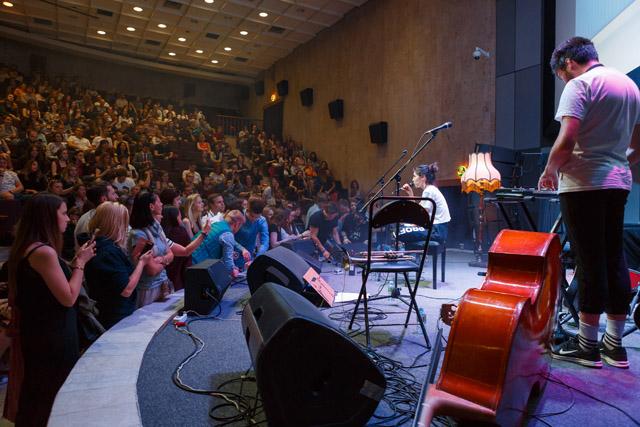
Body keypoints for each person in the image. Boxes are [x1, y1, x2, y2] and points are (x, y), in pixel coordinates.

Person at [538, 37, 640, 368]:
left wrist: (549, 170)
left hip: (584, 183)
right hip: (618, 181)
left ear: (567, 63)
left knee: (588, 260)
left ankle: (587, 347)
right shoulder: (628, 86)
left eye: (561, 75)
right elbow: (636, 145)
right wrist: (616, 160)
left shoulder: (580, 84)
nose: (564, 81)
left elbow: (567, 138)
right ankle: (614, 346)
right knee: (614, 258)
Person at [7, 193, 96, 425]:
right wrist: (81, 263)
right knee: (51, 393)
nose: (68, 219)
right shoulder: (43, 252)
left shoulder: (30, 247)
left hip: (41, 331)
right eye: (64, 213)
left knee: (38, 392)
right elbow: (68, 297)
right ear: (48, 217)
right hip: (51, 335)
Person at [128, 192, 211, 307]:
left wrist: (160, 259)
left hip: (164, 286)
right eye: (159, 201)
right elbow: (151, 270)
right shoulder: (138, 235)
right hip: (148, 291)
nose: (162, 204)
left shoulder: (158, 229)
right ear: (151, 206)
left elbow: (180, 252)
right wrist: (166, 260)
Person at [85, 202, 153, 329]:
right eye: (124, 222)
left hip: (109, 312)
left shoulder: (96, 244)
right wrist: (142, 263)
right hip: (115, 316)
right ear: (114, 224)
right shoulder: (108, 251)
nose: (126, 227)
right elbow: (126, 290)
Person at [400, 163, 451, 243]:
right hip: (437, 229)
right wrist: (410, 193)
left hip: (436, 230)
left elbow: (421, 216)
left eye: (414, 176)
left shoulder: (428, 191)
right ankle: (415, 254)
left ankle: (413, 254)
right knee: (404, 229)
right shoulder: (430, 189)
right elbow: (418, 211)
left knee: (401, 232)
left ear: (423, 177)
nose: (413, 179)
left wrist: (410, 225)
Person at [192, 210, 247, 278]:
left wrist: (242, 249)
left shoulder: (215, 224)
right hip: (197, 267)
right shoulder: (228, 235)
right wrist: (234, 271)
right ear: (237, 224)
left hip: (188, 259)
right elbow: (228, 262)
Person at [234, 197, 269, 267]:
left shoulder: (262, 220)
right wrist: (241, 249)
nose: (254, 219)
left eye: (257, 217)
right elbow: (228, 237)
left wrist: (257, 258)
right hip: (233, 252)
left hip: (249, 256)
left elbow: (265, 242)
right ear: (247, 209)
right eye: (252, 216)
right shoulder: (238, 215)